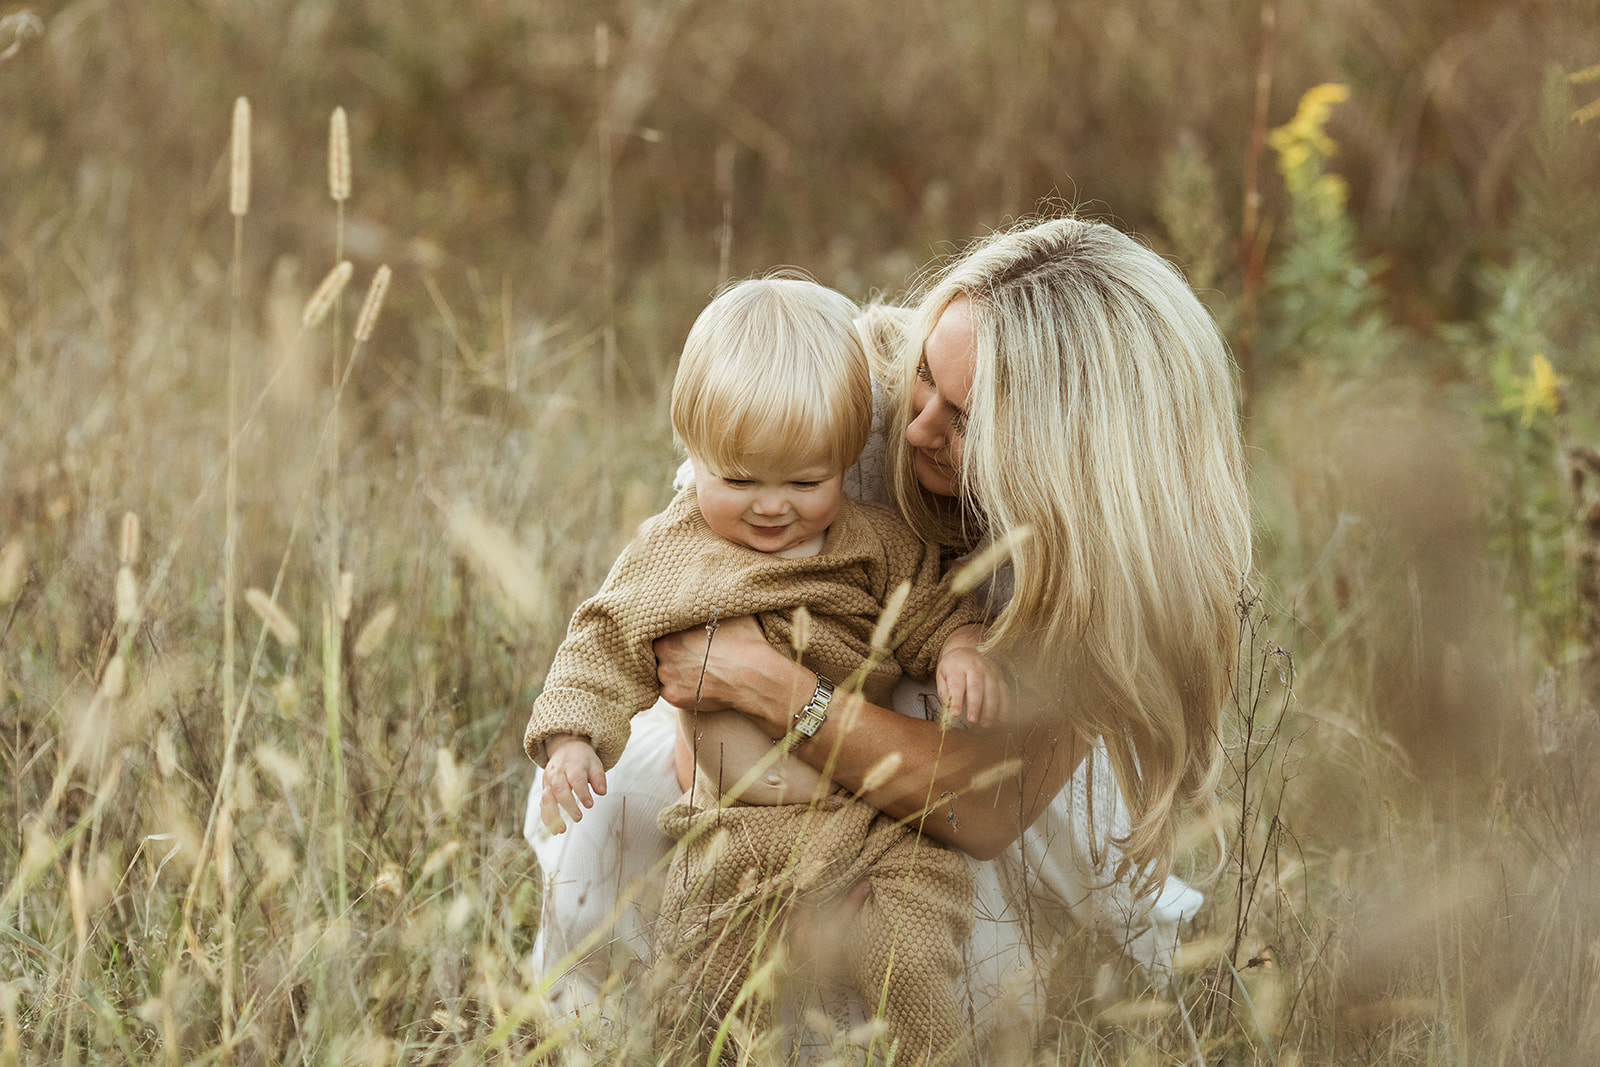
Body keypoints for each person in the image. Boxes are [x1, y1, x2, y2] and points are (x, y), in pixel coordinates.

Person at [526, 217, 1251, 1055]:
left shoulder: (1108, 567)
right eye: (924, 380)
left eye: (965, 419)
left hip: (966, 805)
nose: (915, 430)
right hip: (759, 782)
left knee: (943, 984)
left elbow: (983, 807)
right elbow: (665, 603)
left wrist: (778, 688)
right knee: (629, 842)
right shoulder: (840, 403)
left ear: (1066, 459)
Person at [525, 276, 1012, 1064]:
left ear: (847, 460)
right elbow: (603, 637)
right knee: (703, 998)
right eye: (742, 480)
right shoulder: (674, 552)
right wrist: (573, 737)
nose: (772, 507)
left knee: (915, 954)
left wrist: (962, 651)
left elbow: (930, 608)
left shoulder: (873, 542)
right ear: (695, 453)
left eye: (806, 482)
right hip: (731, 835)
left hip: (870, 824)